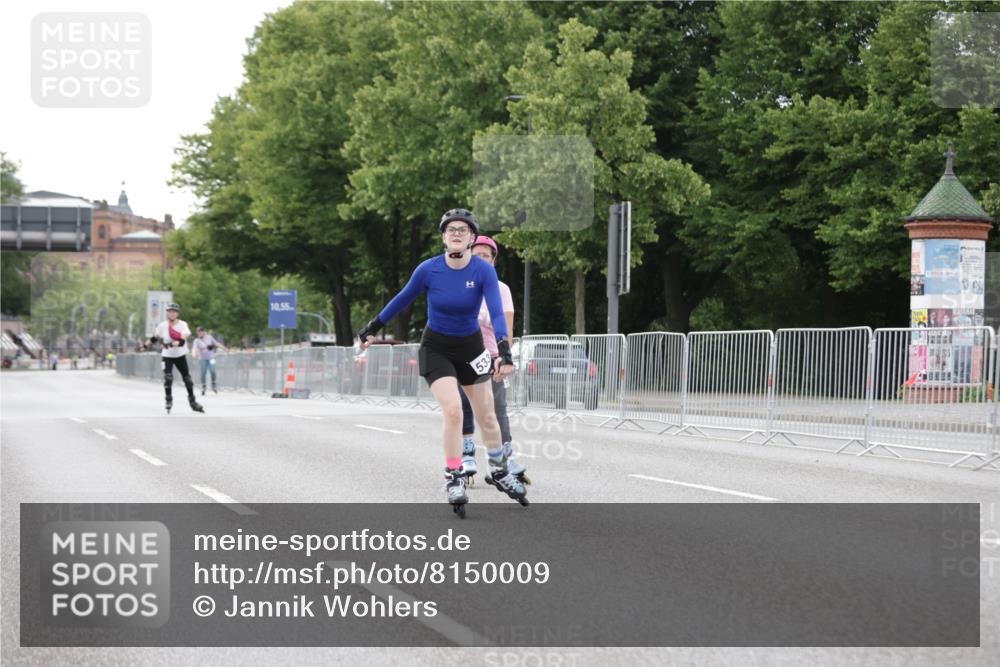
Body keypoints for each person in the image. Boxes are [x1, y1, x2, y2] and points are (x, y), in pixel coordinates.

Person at [357, 208, 527, 517]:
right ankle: (454, 475)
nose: (457, 234)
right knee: (453, 410)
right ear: (443, 237)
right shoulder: (429, 269)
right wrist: (373, 326)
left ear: (472, 237)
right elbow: (402, 298)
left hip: (472, 349)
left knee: (487, 416)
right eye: (451, 230)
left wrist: (504, 350)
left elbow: (496, 311)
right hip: (436, 348)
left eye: (463, 229)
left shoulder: (483, 271)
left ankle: (499, 470)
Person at [458, 235, 527, 485]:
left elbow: (506, 327)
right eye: (476, 255)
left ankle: (505, 455)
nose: (480, 259)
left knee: (497, 409)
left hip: (492, 356)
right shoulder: (459, 285)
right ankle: (466, 455)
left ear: (493, 261)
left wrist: (505, 358)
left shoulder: (501, 289)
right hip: (463, 355)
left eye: (485, 255)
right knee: (463, 406)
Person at [154, 303, 205, 414]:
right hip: (167, 356)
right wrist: (158, 338)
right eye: (170, 312)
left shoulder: (183, 324)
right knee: (168, 378)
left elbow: (184, 337)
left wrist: (175, 342)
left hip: (180, 356)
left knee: (188, 380)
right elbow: (157, 334)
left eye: (174, 312)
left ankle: (193, 402)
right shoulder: (162, 325)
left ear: (177, 313)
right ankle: (168, 399)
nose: (172, 314)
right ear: (167, 313)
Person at [192, 326, 226, 395]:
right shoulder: (196, 340)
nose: (199, 333)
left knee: (213, 371)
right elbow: (194, 348)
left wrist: (224, 348)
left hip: (211, 358)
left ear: (203, 332)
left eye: (200, 331)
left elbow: (216, 343)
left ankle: (213, 383)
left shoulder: (209, 337)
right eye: (198, 332)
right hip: (202, 359)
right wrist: (194, 354)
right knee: (203, 372)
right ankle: (203, 386)